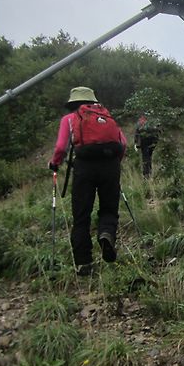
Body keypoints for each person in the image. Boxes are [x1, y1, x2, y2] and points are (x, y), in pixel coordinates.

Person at [49, 86, 127, 276]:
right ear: (92, 101)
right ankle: (106, 234)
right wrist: (113, 163)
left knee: (81, 215)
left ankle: (84, 263)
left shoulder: (69, 119)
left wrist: (54, 163)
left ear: (73, 103)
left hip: (84, 168)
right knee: (109, 209)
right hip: (110, 166)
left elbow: (61, 148)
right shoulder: (105, 116)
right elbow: (123, 143)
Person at [134, 113, 160, 178]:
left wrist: (136, 142)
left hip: (144, 141)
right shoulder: (153, 120)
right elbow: (158, 131)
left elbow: (137, 132)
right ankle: (148, 172)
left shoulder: (141, 121)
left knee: (145, 157)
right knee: (149, 157)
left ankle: (146, 174)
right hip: (152, 141)